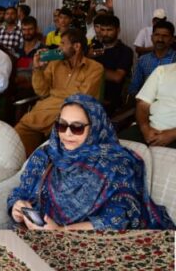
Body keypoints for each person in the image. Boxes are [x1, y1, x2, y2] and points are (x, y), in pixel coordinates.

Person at [9, 93, 175, 230]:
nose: (67, 134)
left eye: (77, 127)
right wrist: (17, 206)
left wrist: (63, 231)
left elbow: (121, 216)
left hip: (92, 245)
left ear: (94, 128)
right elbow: (21, 190)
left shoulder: (115, 164)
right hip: (38, 237)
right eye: (62, 125)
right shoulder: (46, 155)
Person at [14, 29, 103, 156]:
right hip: (42, 113)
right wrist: (38, 69)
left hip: (70, 116)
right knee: (15, 143)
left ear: (76, 46)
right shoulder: (54, 64)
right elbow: (42, 92)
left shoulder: (95, 68)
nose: (59, 47)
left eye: (62, 43)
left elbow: (82, 99)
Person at [123, 63, 176, 148]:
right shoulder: (162, 70)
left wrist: (173, 134)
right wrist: (145, 128)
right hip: (148, 129)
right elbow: (143, 104)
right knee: (111, 152)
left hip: (173, 135)